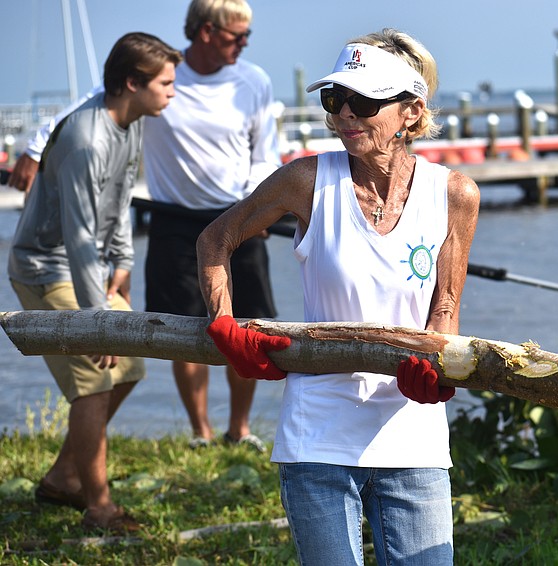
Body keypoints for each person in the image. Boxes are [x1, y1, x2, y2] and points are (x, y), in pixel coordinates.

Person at [197, 29, 480, 564]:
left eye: (364, 102)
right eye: (335, 100)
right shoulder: (306, 181)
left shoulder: (454, 195)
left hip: (411, 431)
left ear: (411, 113)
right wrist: (224, 323)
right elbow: (216, 239)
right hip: (317, 431)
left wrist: (440, 375)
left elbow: (444, 309)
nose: (345, 114)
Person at [7, 32, 181, 532]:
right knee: (95, 384)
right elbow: (80, 237)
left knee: (129, 366)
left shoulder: (130, 121)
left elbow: (123, 195)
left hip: (83, 270)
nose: (173, 92)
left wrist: (123, 260)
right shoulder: (86, 141)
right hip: (45, 267)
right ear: (132, 83)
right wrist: (97, 321)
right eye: (165, 83)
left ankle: (65, 475)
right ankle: (98, 508)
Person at [142, 0, 281, 451]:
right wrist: (33, 145)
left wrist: (260, 209)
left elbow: (265, 154)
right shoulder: (162, 75)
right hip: (174, 220)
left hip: (237, 219)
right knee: (183, 328)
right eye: (235, 35)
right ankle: (200, 432)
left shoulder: (253, 80)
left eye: (248, 36)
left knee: (247, 325)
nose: (244, 43)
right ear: (205, 32)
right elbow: (102, 102)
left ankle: (238, 430)